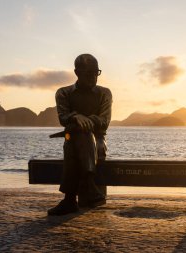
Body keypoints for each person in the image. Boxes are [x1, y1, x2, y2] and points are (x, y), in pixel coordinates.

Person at [48, 54, 112, 216]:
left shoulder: (104, 93)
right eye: (88, 73)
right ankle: (89, 184)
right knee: (75, 139)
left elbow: (104, 121)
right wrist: (76, 117)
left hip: (97, 143)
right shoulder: (63, 93)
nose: (93, 77)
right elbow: (63, 118)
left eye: (96, 72)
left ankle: (69, 200)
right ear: (77, 73)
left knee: (77, 138)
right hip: (73, 143)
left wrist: (85, 121)